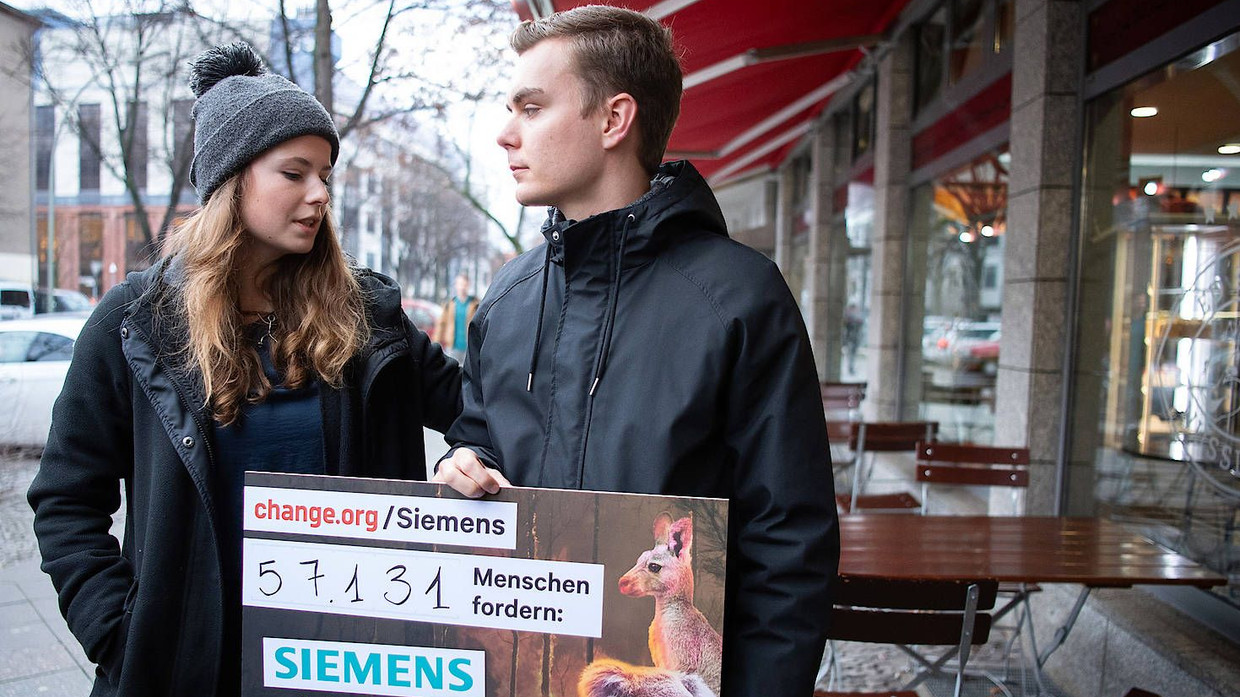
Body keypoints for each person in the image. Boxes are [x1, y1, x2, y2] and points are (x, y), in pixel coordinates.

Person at [27, 43, 461, 697]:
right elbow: (66, 497)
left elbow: (476, 408)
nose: (319, 194)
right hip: (187, 669)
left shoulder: (370, 315)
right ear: (233, 179)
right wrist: (117, 631)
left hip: (346, 669)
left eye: (325, 174)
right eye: (295, 172)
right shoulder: (134, 320)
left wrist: (469, 456)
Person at [433, 7, 838, 696]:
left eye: (531, 107)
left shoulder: (739, 299)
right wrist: (460, 466)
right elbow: (478, 441)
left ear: (613, 120)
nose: (505, 133)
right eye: (510, 108)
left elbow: (788, 545)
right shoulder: (506, 297)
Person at [435, 273, 479, 362]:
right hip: (452, 346)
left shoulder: (475, 304)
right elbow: (441, 324)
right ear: (456, 286)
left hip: (469, 347)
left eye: (464, 284)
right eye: (460, 284)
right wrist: (436, 343)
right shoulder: (450, 304)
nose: (462, 287)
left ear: (468, 285)